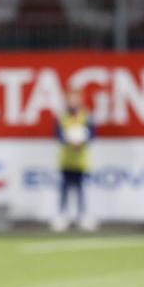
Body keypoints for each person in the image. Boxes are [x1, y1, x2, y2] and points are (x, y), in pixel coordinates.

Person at [52, 88, 96, 232]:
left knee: (80, 189)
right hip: (66, 159)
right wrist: (68, 140)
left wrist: (82, 140)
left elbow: (92, 134)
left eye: (75, 98)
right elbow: (57, 135)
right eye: (70, 98)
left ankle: (82, 216)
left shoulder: (86, 116)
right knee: (64, 189)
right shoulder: (62, 116)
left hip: (80, 160)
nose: (73, 101)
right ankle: (62, 216)